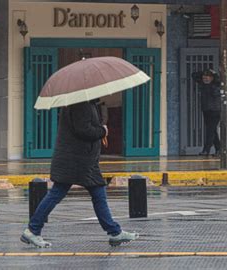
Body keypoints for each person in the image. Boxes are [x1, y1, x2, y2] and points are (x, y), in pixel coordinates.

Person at [21, 99, 139, 248]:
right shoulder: (80, 103)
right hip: (76, 161)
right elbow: (84, 130)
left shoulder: (85, 103)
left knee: (96, 193)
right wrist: (103, 130)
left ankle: (114, 232)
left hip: (82, 160)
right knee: (59, 193)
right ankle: (32, 230)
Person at [192, 69, 221, 156]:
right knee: (212, 130)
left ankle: (206, 149)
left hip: (215, 110)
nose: (205, 79)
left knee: (210, 130)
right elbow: (194, 75)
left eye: (208, 77)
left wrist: (215, 74)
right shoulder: (202, 84)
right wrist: (204, 71)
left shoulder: (216, 85)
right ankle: (219, 149)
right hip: (206, 110)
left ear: (212, 78)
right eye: (204, 77)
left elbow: (218, 83)